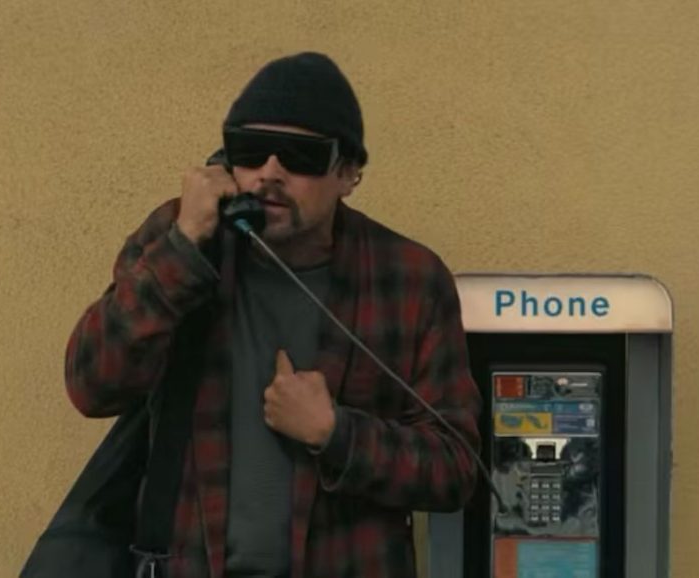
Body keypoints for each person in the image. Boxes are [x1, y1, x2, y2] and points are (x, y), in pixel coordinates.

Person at [64, 51, 482, 578]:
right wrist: (184, 248)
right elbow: (92, 385)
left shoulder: (409, 278)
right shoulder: (181, 241)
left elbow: (455, 469)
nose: (269, 173)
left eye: (300, 157)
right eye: (250, 152)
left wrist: (337, 433)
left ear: (348, 173)